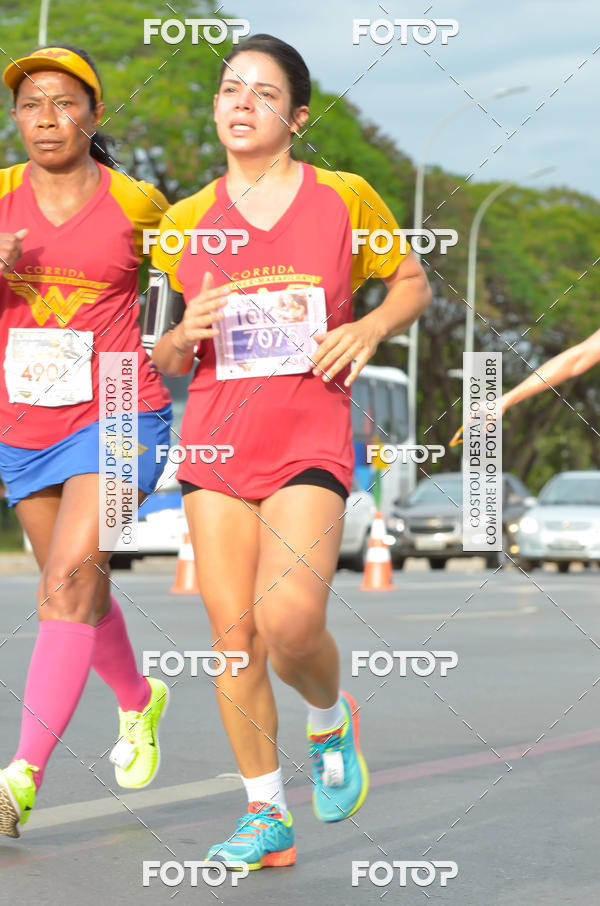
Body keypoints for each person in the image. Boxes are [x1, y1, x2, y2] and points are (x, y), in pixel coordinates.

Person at [151, 34, 431, 869]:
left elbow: (410, 283)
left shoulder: (345, 197)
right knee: (233, 636)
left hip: (309, 432)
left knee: (291, 622)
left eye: (263, 93)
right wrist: (180, 337)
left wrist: (370, 325)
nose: (240, 103)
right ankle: (267, 815)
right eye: (229, 89)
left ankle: (327, 714)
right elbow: (159, 352)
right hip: (213, 439)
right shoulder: (183, 221)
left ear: (296, 117)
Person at [0, 45, 172, 838]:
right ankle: (138, 700)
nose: (45, 118)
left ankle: (19, 779)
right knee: (79, 590)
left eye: (63, 103)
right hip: (24, 421)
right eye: (30, 104)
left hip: (121, 412)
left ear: (94, 115)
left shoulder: (143, 204)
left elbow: (195, 294)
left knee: (66, 581)